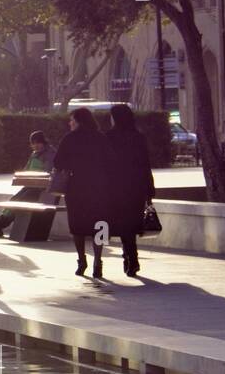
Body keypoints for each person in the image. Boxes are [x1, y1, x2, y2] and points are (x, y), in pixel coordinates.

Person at [52, 108, 114, 278]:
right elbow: (111, 161)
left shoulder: (70, 139)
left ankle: (82, 260)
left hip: (76, 186)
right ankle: (98, 261)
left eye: (71, 120)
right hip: (100, 187)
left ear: (78, 121)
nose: (69, 123)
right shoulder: (101, 138)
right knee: (100, 224)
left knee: (77, 225)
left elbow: (58, 162)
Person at [105, 104, 155, 277]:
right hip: (136, 186)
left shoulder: (109, 137)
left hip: (115, 187)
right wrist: (150, 188)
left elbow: (104, 164)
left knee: (121, 223)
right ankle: (131, 257)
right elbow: (145, 164)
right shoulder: (138, 137)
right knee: (131, 223)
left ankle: (128, 257)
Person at [0, 131, 56, 238]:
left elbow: (49, 171)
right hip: (31, 185)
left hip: (41, 188)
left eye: (37, 143)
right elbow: (27, 169)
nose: (35, 146)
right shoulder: (34, 154)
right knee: (14, 199)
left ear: (43, 142)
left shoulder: (50, 153)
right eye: (33, 144)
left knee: (21, 200)